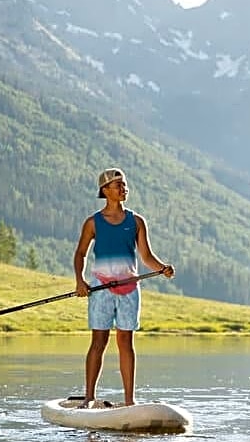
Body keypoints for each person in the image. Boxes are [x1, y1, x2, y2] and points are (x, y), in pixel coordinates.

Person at [73, 167, 175, 408]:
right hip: (100, 288)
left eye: (124, 184)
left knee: (126, 343)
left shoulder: (137, 221)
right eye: (118, 185)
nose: (123, 188)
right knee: (98, 342)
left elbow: (146, 256)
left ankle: (130, 400)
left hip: (129, 288)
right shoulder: (93, 223)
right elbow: (80, 254)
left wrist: (162, 267)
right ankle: (89, 397)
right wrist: (80, 280)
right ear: (105, 190)